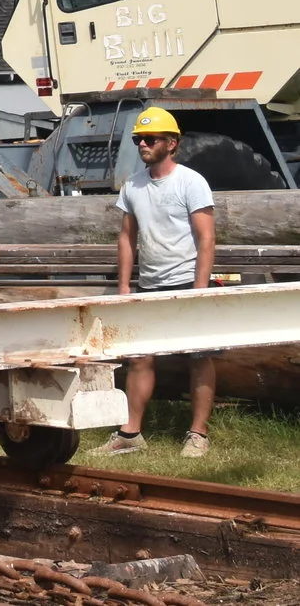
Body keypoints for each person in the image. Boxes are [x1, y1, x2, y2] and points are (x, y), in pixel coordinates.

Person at [99, 106, 217, 458]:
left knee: (199, 356)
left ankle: (198, 434)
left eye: (150, 139)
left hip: (187, 281)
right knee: (139, 358)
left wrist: (200, 289)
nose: (143, 144)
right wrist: (124, 287)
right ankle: (130, 434)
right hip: (150, 284)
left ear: (172, 143)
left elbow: (206, 238)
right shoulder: (133, 186)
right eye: (138, 139)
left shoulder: (191, 182)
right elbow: (126, 237)